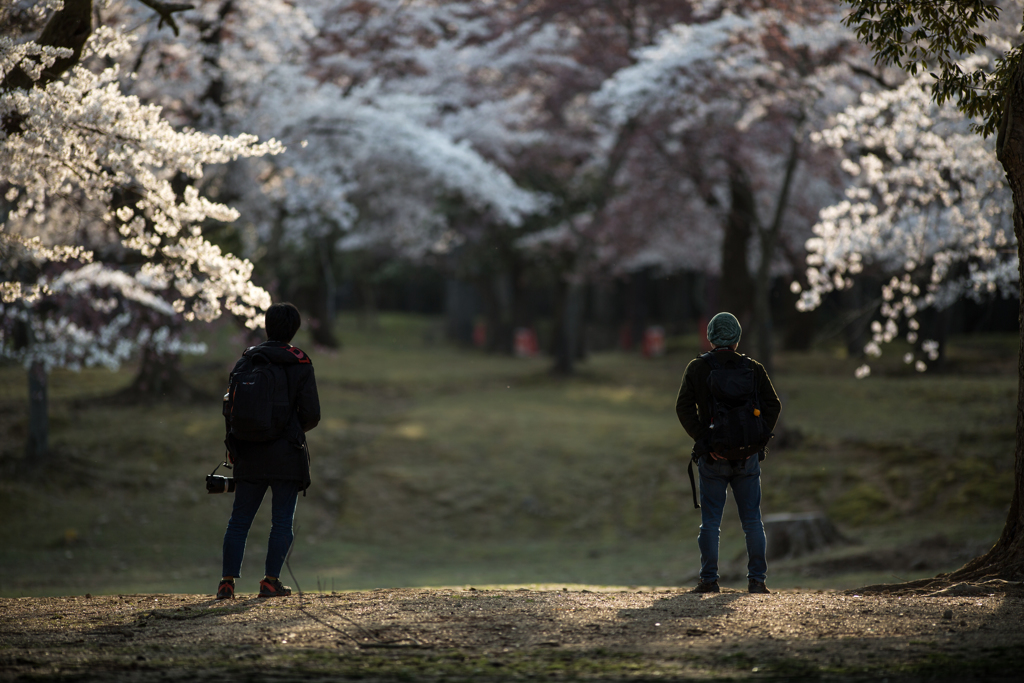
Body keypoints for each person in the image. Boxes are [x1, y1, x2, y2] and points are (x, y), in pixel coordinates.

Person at [217, 303, 321, 599]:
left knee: (239, 521)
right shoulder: (299, 363)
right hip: (286, 455)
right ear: (294, 329)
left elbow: (230, 411)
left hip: (248, 452)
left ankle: (226, 582)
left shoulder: (247, 362)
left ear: (266, 326)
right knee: (281, 521)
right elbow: (312, 413)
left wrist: (234, 445)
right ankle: (270, 581)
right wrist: (291, 429)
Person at [675, 312, 780, 594]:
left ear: (710, 337)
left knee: (711, 522)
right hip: (748, 458)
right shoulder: (753, 368)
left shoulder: (698, 368)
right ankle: (757, 581)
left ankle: (709, 580)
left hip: (713, 458)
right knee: (752, 521)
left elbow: (683, 408)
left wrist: (705, 440)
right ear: (737, 338)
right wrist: (757, 440)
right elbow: (773, 405)